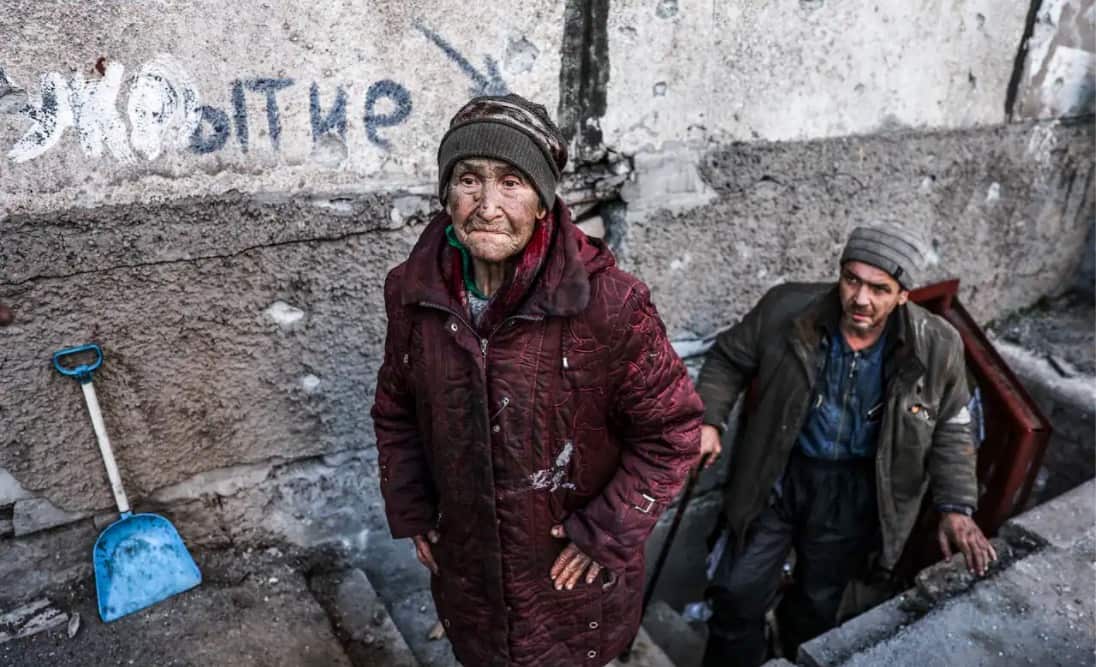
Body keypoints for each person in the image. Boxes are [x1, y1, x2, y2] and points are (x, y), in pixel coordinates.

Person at [371, 93, 703, 667]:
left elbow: (672, 433)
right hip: (469, 573)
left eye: (512, 183)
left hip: (570, 580)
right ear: (446, 194)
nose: (487, 206)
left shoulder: (609, 303)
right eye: (469, 180)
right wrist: (414, 507)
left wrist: (606, 532)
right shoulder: (412, 292)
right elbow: (396, 409)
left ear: (544, 203)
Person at [695, 224, 996, 666]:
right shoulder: (787, 309)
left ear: (903, 296)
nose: (861, 298)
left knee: (819, 604)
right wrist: (708, 420)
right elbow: (727, 358)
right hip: (779, 474)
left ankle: (791, 652)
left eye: (879, 288)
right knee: (737, 592)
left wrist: (956, 506)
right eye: (852, 280)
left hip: (855, 491)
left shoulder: (936, 345)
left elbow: (952, 424)